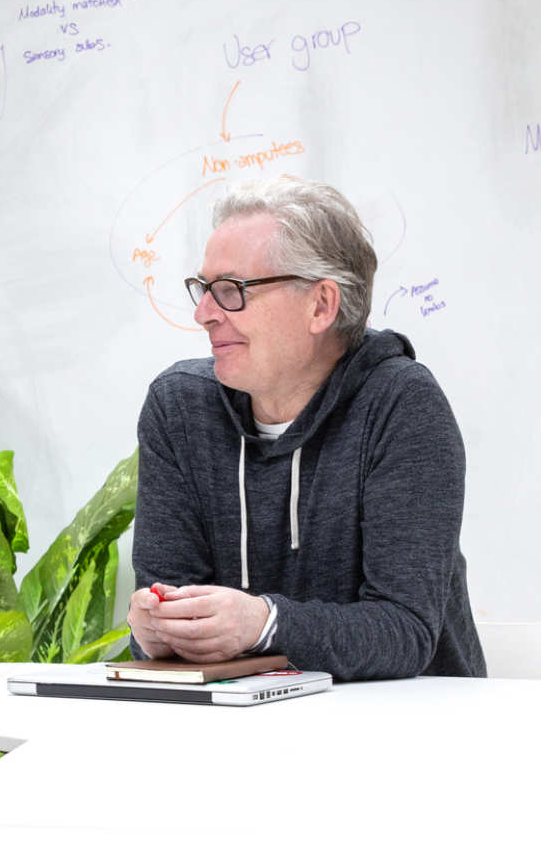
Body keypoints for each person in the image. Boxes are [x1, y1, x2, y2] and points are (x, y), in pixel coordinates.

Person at [127, 176, 485, 680]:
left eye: (231, 291)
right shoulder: (179, 409)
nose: (203, 313)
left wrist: (265, 623)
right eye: (203, 289)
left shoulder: (400, 404)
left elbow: (405, 631)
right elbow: (168, 606)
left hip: (406, 730)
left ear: (321, 304)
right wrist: (157, 629)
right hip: (237, 729)